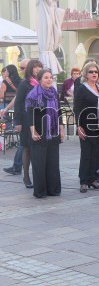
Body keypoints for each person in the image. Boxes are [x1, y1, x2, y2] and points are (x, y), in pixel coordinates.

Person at [25, 69, 64, 198]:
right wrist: (32, 130)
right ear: (40, 79)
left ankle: (53, 190)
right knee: (39, 162)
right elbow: (30, 113)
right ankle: (40, 191)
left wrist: (61, 128)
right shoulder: (33, 94)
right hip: (39, 131)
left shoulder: (54, 92)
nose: (49, 80)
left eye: (50, 77)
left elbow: (58, 111)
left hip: (53, 132)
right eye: (46, 77)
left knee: (53, 162)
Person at [74, 62, 99, 192]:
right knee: (86, 154)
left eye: (96, 72)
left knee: (96, 153)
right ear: (86, 74)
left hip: (98, 124)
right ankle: (84, 181)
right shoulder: (82, 89)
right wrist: (78, 126)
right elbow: (76, 108)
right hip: (86, 125)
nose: (94, 74)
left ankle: (93, 179)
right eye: (91, 72)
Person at [14, 59, 43, 189]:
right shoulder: (24, 84)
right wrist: (18, 122)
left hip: (41, 119)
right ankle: (26, 176)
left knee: (38, 148)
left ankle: (39, 176)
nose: (37, 69)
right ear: (30, 69)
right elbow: (18, 103)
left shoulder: (44, 83)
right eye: (35, 67)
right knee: (27, 148)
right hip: (26, 120)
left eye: (39, 67)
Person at [2, 59, 29, 176]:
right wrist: (7, 108)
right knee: (24, 143)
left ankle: (18, 166)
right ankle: (17, 166)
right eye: (20, 68)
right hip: (26, 115)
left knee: (26, 143)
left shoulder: (37, 80)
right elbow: (17, 98)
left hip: (36, 116)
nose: (21, 71)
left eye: (23, 68)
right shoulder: (23, 82)